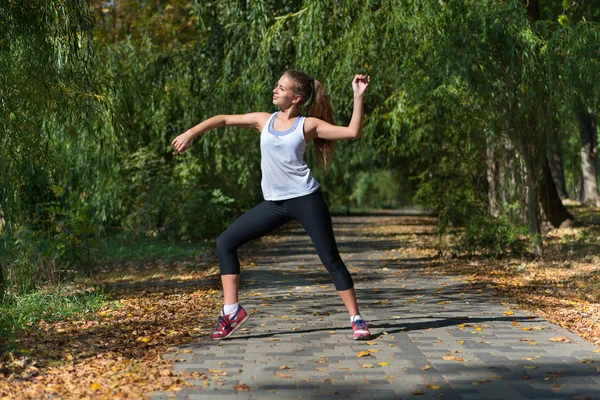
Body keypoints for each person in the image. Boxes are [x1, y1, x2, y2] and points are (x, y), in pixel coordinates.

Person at [171, 70, 371, 340]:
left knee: (331, 259)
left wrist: (358, 96)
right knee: (225, 242)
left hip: (305, 199)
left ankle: (356, 319)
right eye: (277, 85)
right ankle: (231, 312)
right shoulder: (263, 120)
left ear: (296, 97)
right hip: (274, 204)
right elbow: (223, 119)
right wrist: (191, 132)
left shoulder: (307, 124)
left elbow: (352, 132)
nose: (275, 90)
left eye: (282, 88)